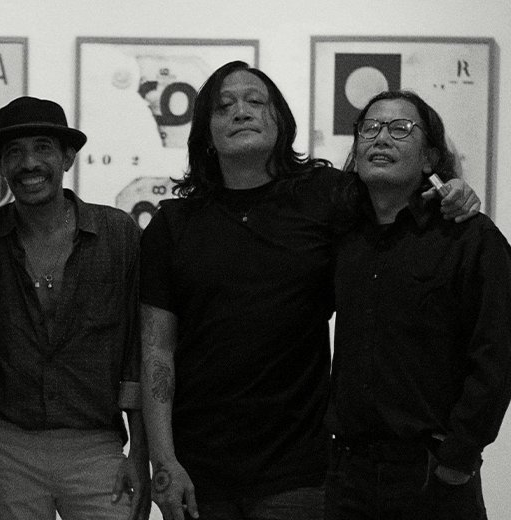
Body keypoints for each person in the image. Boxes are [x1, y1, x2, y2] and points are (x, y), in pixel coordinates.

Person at [139, 61, 480, 520]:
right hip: (199, 473)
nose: (241, 111)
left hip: (301, 472)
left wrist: (449, 187)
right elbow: (157, 352)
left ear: (280, 121)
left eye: (255, 101)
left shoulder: (326, 196)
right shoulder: (171, 225)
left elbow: (397, 191)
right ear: (206, 133)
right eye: (224, 106)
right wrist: (164, 462)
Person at [0, 96, 150, 520]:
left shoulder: (118, 234)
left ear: (67, 157)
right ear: (0, 166)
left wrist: (141, 457)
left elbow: (138, 353)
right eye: (14, 152)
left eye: (43, 148)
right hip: (7, 449)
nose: (29, 163)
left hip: (98, 448)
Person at [324, 90, 511, 520]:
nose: (381, 138)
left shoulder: (469, 237)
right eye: (370, 128)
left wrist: (458, 459)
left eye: (400, 129)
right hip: (347, 477)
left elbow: (497, 355)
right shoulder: (343, 237)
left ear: (429, 158)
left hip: (432, 476)